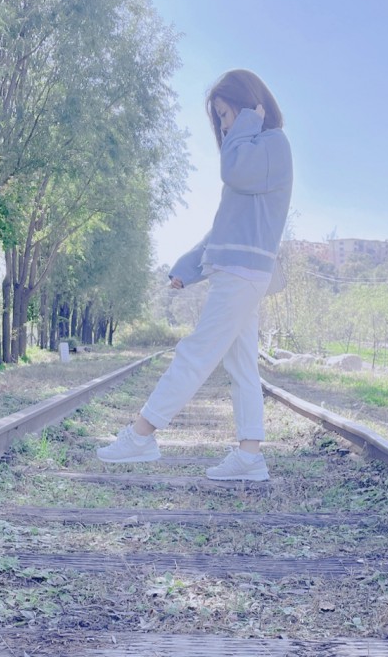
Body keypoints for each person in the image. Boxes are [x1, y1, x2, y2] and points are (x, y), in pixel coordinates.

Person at [97, 69, 293, 481]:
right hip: (238, 272)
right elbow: (224, 231)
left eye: (224, 115)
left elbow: (232, 170)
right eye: (220, 119)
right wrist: (187, 269)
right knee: (241, 366)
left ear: (247, 106)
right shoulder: (252, 152)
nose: (223, 127)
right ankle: (250, 457)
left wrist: (248, 121)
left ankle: (142, 435)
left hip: (242, 274)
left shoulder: (271, 146)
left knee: (196, 352)